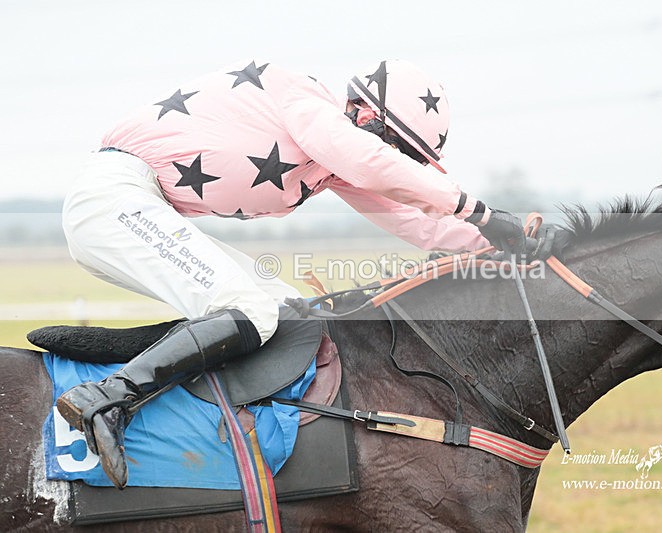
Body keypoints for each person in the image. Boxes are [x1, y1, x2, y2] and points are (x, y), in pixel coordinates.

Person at [56, 58, 527, 488]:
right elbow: (372, 162)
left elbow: (419, 224)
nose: (397, 160)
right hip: (114, 197)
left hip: (141, 206)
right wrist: (480, 211)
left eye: (407, 156)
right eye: (396, 146)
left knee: (289, 312)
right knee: (251, 309)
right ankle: (106, 399)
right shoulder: (304, 100)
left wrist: (518, 245)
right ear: (365, 114)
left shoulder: (332, 163)